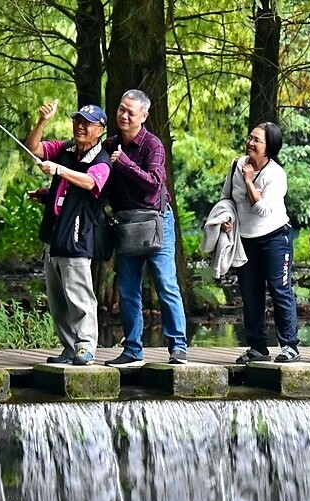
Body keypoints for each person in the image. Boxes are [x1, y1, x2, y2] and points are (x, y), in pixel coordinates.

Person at [101, 89, 188, 367]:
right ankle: (132, 349)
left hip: (156, 221)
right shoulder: (109, 144)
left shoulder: (153, 145)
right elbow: (97, 181)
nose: (124, 116)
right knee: (127, 288)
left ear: (144, 115)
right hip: (127, 225)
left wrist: (123, 163)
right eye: (121, 110)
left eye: (131, 112)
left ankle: (178, 347)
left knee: (165, 283)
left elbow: (154, 182)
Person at [25, 101, 111, 366]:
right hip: (54, 235)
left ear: (100, 130)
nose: (80, 126)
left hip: (78, 237)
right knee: (57, 298)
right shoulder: (64, 149)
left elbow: (90, 181)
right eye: (77, 121)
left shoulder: (102, 160)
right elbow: (34, 149)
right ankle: (69, 348)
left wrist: (59, 170)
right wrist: (42, 122)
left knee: (79, 295)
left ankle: (86, 347)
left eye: (87, 123)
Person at [219, 122, 301, 364]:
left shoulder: (276, 175)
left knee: (279, 290)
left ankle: (289, 346)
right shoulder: (236, 164)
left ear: (270, 147)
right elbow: (226, 198)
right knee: (250, 294)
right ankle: (257, 347)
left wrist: (248, 181)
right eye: (250, 138)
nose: (250, 143)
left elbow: (263, 209)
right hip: (244, 240)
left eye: (257, 140)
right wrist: (227, 218)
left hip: (275, 238)